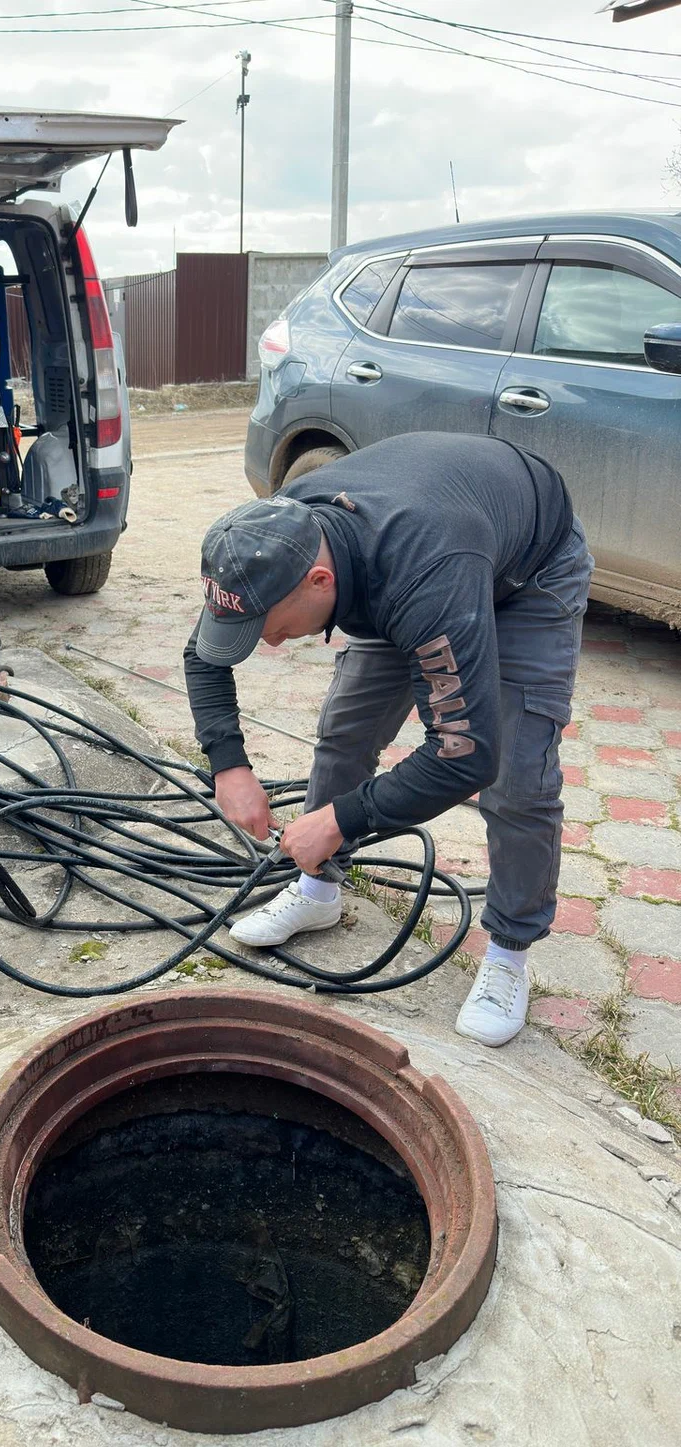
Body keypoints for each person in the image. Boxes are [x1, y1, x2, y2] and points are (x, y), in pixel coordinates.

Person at [184, 431, 592, 1047]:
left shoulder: (425, 576)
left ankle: (510, 951)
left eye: (268, 628)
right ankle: (319, 888)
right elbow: (204, 655)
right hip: (422, 560)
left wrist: (342, 818)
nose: (265, 644)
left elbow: (466, 755)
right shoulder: (270, 541)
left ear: (320, 582)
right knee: (346, 729)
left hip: (527, 571)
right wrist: (228, 765)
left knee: (515, 776)